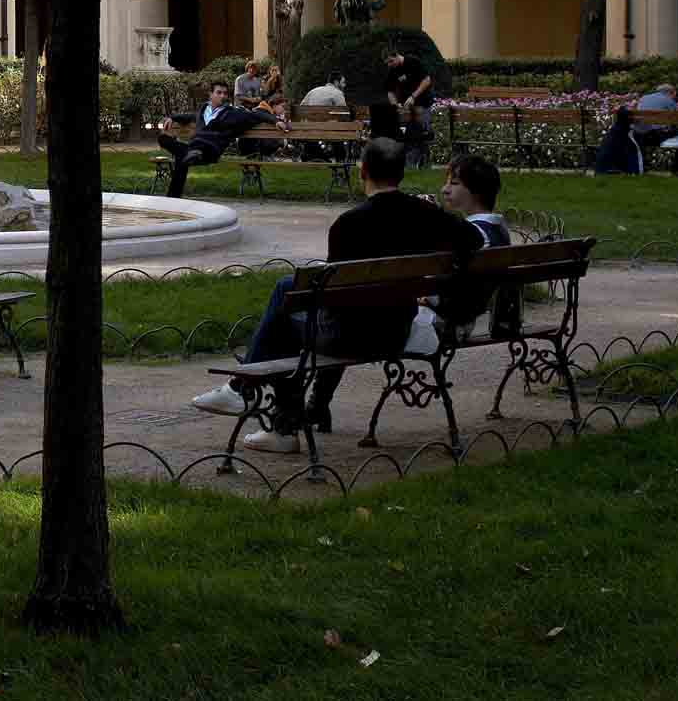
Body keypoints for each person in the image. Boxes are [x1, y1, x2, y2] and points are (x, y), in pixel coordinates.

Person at [189, 138, 483, 452]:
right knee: (287, 291)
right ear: (401, 173)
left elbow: (335, 299)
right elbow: (473, 239)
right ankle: (251, 397)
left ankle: (264, 410)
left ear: (363, 171)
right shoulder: (425, 214)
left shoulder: (349, 224)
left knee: (284, 314)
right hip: (396, 331)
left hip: (348, 337)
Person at [427, 154, 512, 340]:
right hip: (464, 315)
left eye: (454, 184)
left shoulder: (477, 236)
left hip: (446, 319)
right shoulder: (498, 230)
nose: (444, 190)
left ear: (477, 191)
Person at [155, 81, 289, 197]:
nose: (222, 96)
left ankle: (173, 197)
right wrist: (172, 118)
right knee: (164, 139)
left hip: (210, 151)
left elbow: (257, 114)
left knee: (184, 155)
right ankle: (174, 194)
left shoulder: (233, 113)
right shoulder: (204, 109)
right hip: (193, 149)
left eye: (225, 93)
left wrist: (275, 121)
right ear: (210, 94)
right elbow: (189, 117)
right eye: (219, 93)